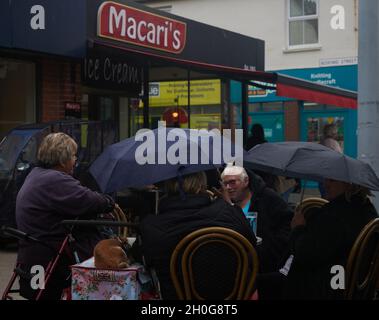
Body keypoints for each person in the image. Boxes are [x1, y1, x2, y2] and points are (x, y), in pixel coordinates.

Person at [15, 132, 115, 300]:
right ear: (63, 159)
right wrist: (109, 203)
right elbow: (88, 200)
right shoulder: (55, 180)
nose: (76, 161)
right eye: (74, 156)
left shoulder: (36, 174)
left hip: (33, 253)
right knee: (106, 245)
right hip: (53, 256)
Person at [139, 171, 257, 300]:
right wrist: (229, 205)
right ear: (202, 185)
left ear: (167, 186)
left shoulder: (152, 225)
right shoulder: (228, 213)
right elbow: (252, 244)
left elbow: (142, 259)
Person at [283, 179, 378, 299]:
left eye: (332, 181)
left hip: (325, 288)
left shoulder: (336, 216)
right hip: (353, 288)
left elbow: (305, 253)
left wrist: (297, 228)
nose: (325, 184)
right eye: (326, 179)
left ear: (349, 184)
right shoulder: (366, 208)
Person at [220, 165, 293, 273]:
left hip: (264, 264)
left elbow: (287, 227)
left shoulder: (268, 198)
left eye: (233, 182)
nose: (228, 188)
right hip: (232, 264)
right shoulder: (221, 203)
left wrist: (267, 250)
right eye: (225, 184)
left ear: (246, 181)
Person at [319, 124, 343, 197]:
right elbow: (339, 158)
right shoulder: (333, 143)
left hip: (322, 173)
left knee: (324, 196)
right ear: (333, 132)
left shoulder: (322, 142)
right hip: (330, 176)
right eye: (336, 131)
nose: (337, 133)